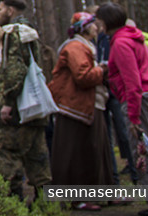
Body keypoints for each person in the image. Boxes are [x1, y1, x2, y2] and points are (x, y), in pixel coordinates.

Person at [97, 2, 148, 216]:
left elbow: (132, 82)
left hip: (139, 101)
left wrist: (133, 118)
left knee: (147, 154)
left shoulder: (121, 44)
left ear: (106, 22)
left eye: (98, 21)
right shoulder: (136, 37)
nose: (97, 25)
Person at [47, 12, 113, 210]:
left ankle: (102, 194)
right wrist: (102, 69)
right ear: (84, 27)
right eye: (92, 24)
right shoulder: (75, 47)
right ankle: (78, 199)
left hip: (88, 104)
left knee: (95, 149)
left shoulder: (85, 46)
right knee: (77, 153)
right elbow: (83, 76)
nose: (96, 27)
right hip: (74, 106)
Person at [0, 0, 52, 203]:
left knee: (4, 149)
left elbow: (15, 69)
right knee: (37, 154)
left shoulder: (13, 33)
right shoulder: (31, 31)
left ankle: (13, 200)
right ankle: (46, 203)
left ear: (10, 11)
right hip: (35, 105)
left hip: (20, 107)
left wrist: (8, 102)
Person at [95, 15, 139, 184]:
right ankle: (114, 179)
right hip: (104, 89)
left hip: (117, 92)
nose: (97, 25)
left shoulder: (118, 40)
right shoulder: (99, 39)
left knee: (125, 132)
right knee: (108, 136)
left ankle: (135, 172)